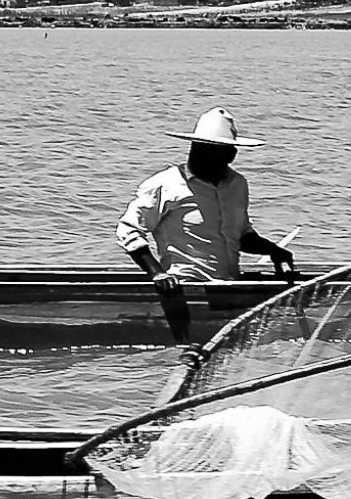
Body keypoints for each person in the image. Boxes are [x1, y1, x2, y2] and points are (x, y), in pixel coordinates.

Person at [117, 109, 296, 342]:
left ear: (231, 154)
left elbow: (241, 235)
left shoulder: (237, 185)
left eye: (213, 152)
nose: (201, 155)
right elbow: (128, 229)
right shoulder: (166, 184)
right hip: (185, 291)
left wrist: (274, 251)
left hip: (229, 289)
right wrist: (158, 274)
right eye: (199, 149)